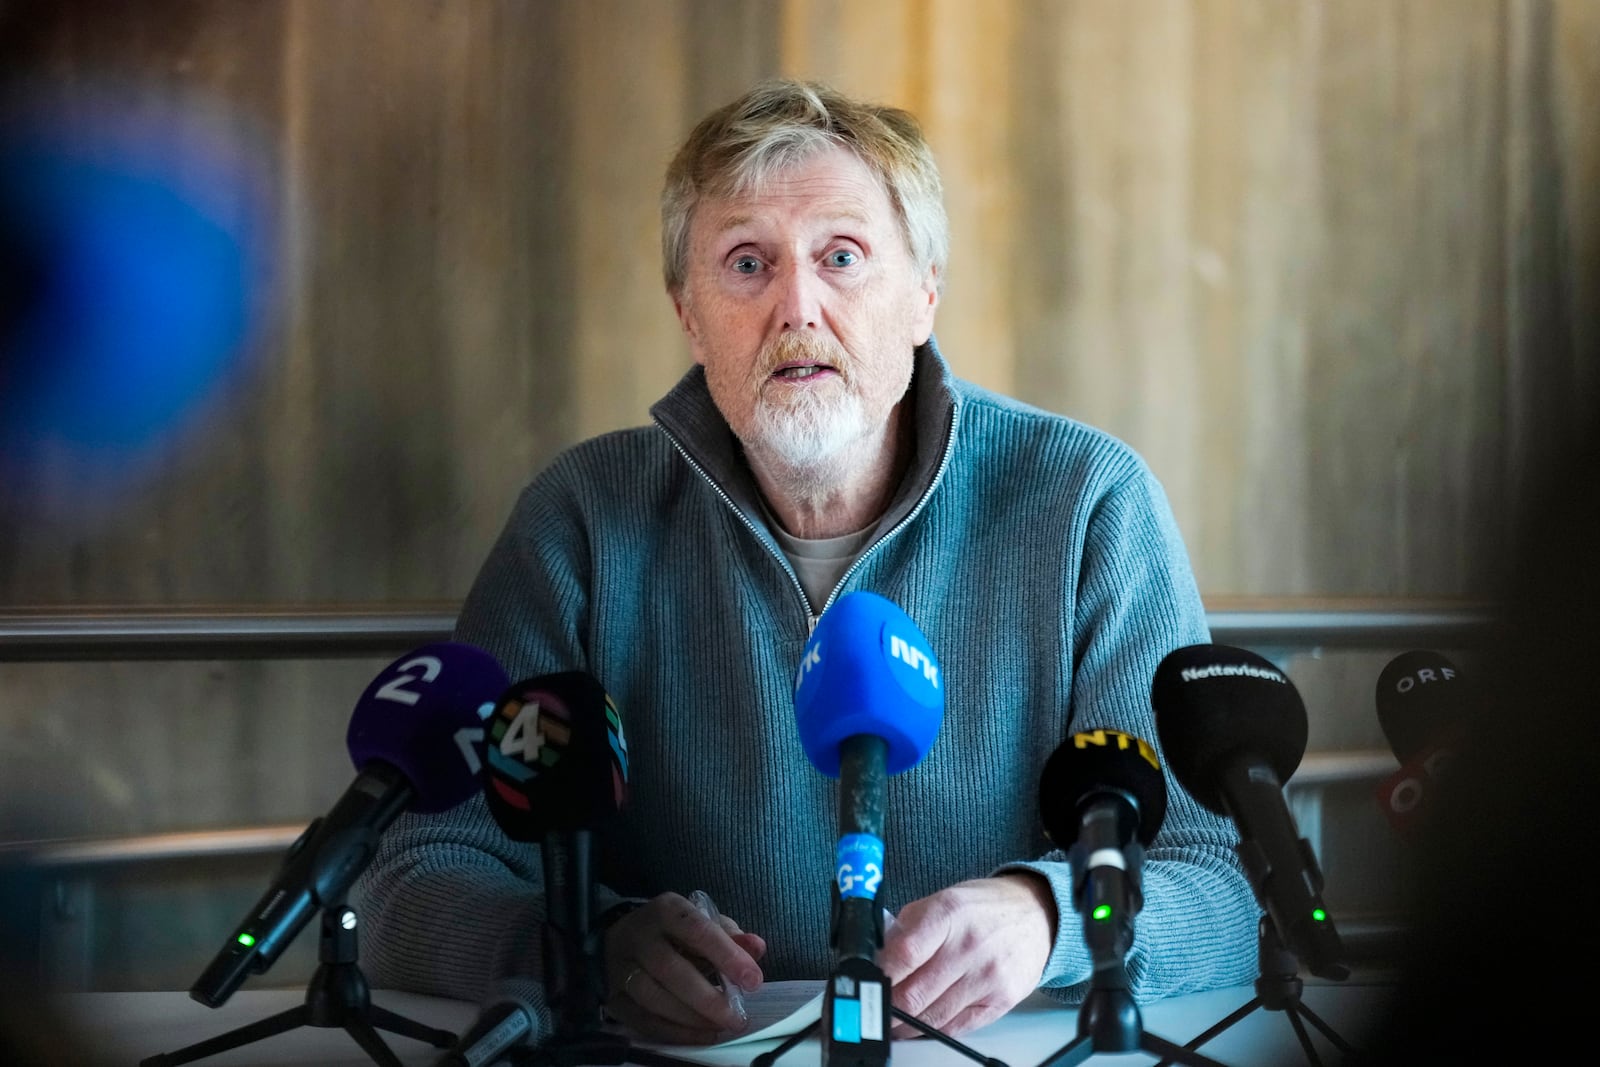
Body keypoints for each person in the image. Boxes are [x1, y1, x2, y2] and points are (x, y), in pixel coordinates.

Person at [356, 78, 1259, 1046]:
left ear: (923, 294)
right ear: (688, 314)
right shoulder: (580, 518)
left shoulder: (1088, 502)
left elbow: (1223, 884)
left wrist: (1052, 918)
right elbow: (417, 874)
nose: (798, 304)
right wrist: (586, 939)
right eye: (747, 263)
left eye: (841, 257)